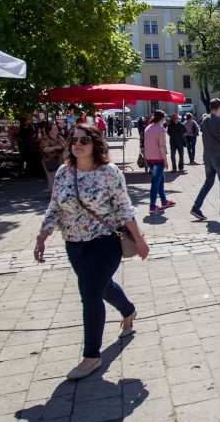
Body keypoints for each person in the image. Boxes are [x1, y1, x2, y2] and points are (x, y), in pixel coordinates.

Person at [34, 124, 148, 379]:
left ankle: (91, 356)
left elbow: (123, 208)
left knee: (89, 294)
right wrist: (42, 236)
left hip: (104, 242)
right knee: (102, 287)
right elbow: (55, 206)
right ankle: (128, 310)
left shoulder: (109, 172)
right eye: (73, 139)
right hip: (73, 243)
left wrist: (139, 239)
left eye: (84, 139)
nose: (78, 144)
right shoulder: (65, 172)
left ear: (95, 143)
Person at [143, 110, 174, 214]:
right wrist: (165, 161)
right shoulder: (161, 129)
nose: (165, 120)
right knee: (155, 182)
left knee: (161, 179)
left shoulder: (148, 127)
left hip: (149, 158)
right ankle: (152, 206)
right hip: (158, 159)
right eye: (164, 118)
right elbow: (161, 146)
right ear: (162, 118)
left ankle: (164, 201)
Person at [40, 121, 68, 193]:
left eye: (56, 128)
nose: (57, 130)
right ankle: (54, 193)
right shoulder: (45, 138)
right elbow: (45, 149)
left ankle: (60, 192)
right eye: (54, 129)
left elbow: (66, 146)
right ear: (49, 131)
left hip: (61, 160)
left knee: (61, 177)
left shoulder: (60, 137)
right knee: (52, 177)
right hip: (49, 160)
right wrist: (56, 147)